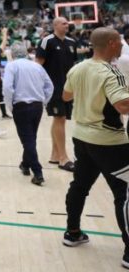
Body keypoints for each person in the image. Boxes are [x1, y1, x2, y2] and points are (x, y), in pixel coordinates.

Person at [61, 27, 129, 268]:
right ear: (111, 43)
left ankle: (73, 232)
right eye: (120, 41)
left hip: (82, 138)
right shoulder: (112, 72)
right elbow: (122, 106)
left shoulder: (78, 68)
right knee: (125, 193)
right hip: (110, 142)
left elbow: (66, 96)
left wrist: (88, 92)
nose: (122, 44)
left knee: (80, 185)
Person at [2, 42, 54, 186]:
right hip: (37, 107)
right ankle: (25, 164)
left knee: (28, 140)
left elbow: (7, 88)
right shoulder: (37, 66)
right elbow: (50, 86)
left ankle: (38, 172)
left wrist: (10, 106)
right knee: (31, 138)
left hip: (21, 107)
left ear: (12, 54)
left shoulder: (11, 66)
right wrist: (43, 101)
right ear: (26, 52)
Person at [36, 16, 77, 172]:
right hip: (52, 89)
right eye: (64, 23)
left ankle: (54, 155)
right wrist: (40, 87)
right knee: (59, 118)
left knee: (60, 120)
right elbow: (38, 66)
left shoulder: (72, 42)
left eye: (67, 22)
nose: (67, 24)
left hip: (68, 88)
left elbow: (72, 67)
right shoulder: (47, 41)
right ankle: (63, 158)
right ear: (55, 25)